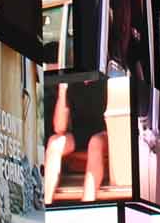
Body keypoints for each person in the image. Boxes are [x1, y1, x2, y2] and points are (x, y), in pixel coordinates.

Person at [42, 73, 111, 203]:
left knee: (95, 143)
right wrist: (62, 90)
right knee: (54, 143)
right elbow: (59, 128)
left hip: (106, 132)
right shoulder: (73, 80)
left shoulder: (104, 77)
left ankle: (87, 202)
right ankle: (45, 203)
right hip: (80, 134)